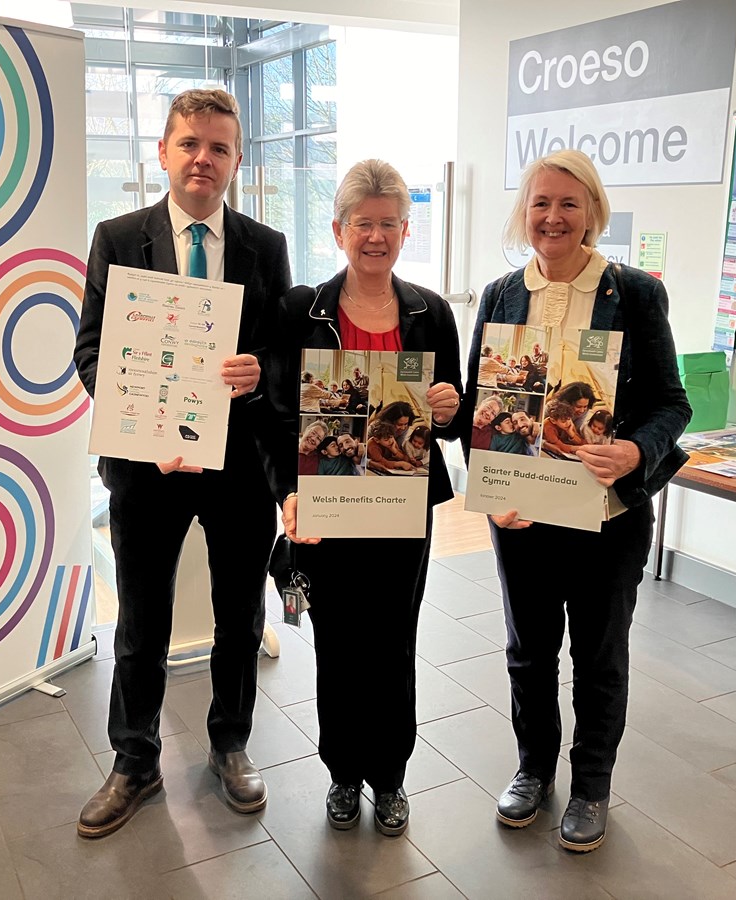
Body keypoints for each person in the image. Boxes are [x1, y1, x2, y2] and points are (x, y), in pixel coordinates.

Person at [73, 88, 292, 839]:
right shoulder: (117, 236)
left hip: (238, 469)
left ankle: (230, 746)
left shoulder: (266, 246)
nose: (204, 158)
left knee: (240, 616)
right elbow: (91, 353)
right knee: (142, 619)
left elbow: (283, 353)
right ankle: (133, 760)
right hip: (146, 470)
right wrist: (141, 422)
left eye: (220, 147)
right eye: (190, 143)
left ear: (236, 160)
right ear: (162, 153)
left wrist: (258, 370)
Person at [457, 149, 690, 852]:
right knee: (528, 651)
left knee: (599, 655)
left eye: (568, 203)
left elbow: (671, 405)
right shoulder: (501, 294)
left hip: (606, 518)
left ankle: (591, 783)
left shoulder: (635, 294)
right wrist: (490, 483)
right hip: (523, 518)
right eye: (540, 204)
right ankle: (532, 769)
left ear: (592, 210)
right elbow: (480, 406)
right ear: (523, 213)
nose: (553, 217)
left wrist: (635, 451)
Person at [261, 159, 463, 836]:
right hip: (326, 509)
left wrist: (448, 405)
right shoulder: (299, 309)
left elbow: (456, 418)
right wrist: (288, 493)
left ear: (406, 230)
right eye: (361, 223)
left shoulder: (430, 312)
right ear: (339, 228)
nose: (374, 237)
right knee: (336, 642)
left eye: (387, 224)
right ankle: (343, 773)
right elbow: (276, 415)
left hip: (403, 510)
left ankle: (391, 775)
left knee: (392, 641)